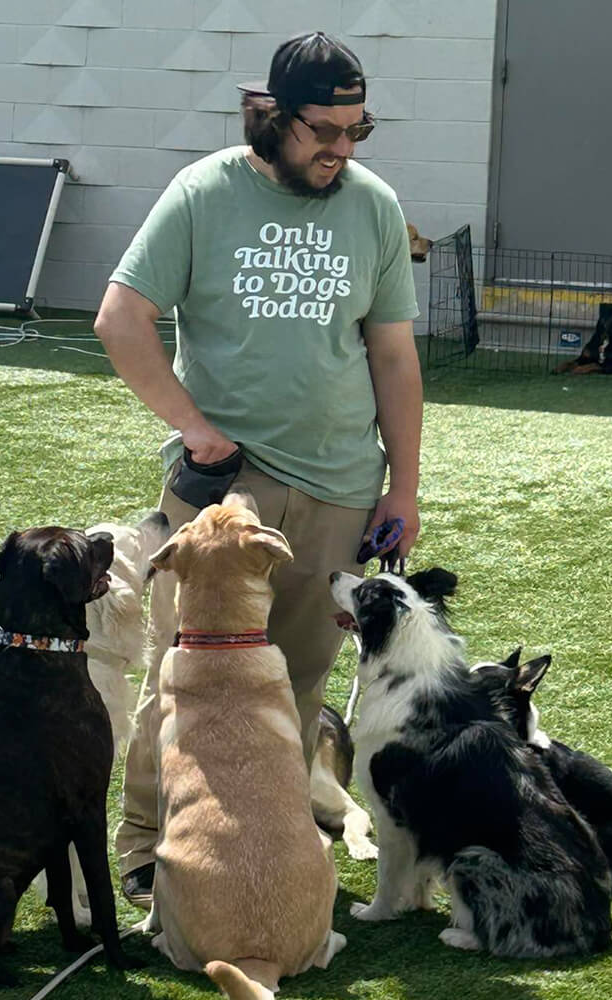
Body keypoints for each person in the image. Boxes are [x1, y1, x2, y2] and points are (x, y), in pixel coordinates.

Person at [93, 30, 423, 908]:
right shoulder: (203, 193)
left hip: (341, 490)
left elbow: (392, 358)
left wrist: (402, 487)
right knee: (187, 675)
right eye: (325, 131)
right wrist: (191, 427)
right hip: (222, 495)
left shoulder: (374, 206)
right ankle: (145, 845)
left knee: (301, 683)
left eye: (359, 130)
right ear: (275, 117)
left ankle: (277, 844)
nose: (342, 150)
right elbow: (121, 318)